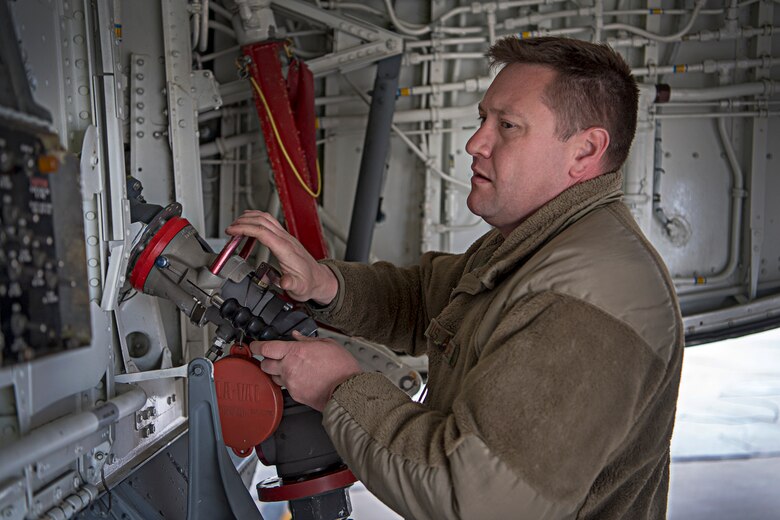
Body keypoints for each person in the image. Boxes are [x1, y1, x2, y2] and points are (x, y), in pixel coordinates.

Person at [228, 36, 683, 520]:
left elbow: (476, 498)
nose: (475, 143)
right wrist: (324, 283)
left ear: (585, 150)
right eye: (482, 119)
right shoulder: (541, 241)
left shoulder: (588, 300)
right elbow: (429, 300)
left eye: (507, 125)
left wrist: (340, 386)